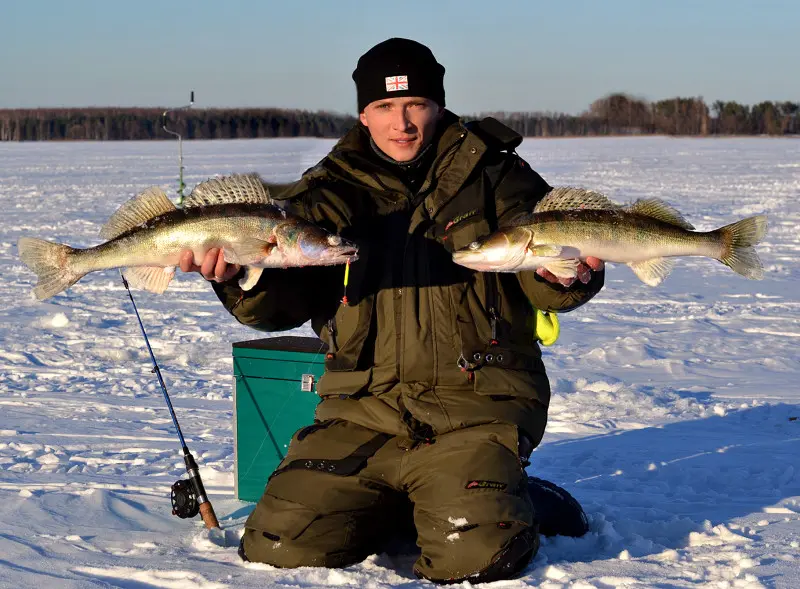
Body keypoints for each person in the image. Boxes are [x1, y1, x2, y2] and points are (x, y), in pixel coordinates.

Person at [181, 38, 604, 584]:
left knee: (475, 557)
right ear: (363, 112)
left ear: (438, 106)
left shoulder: (500, 180)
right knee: (277, 546)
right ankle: (405, 499)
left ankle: (507, 495)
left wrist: (563, 276)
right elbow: (284, 307)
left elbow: (547, 286)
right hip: (361, 412)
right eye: (384, 107)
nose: (401, 123)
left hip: (475, 410)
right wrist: (239, 280)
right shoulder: (327, 192)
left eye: (415, 106)